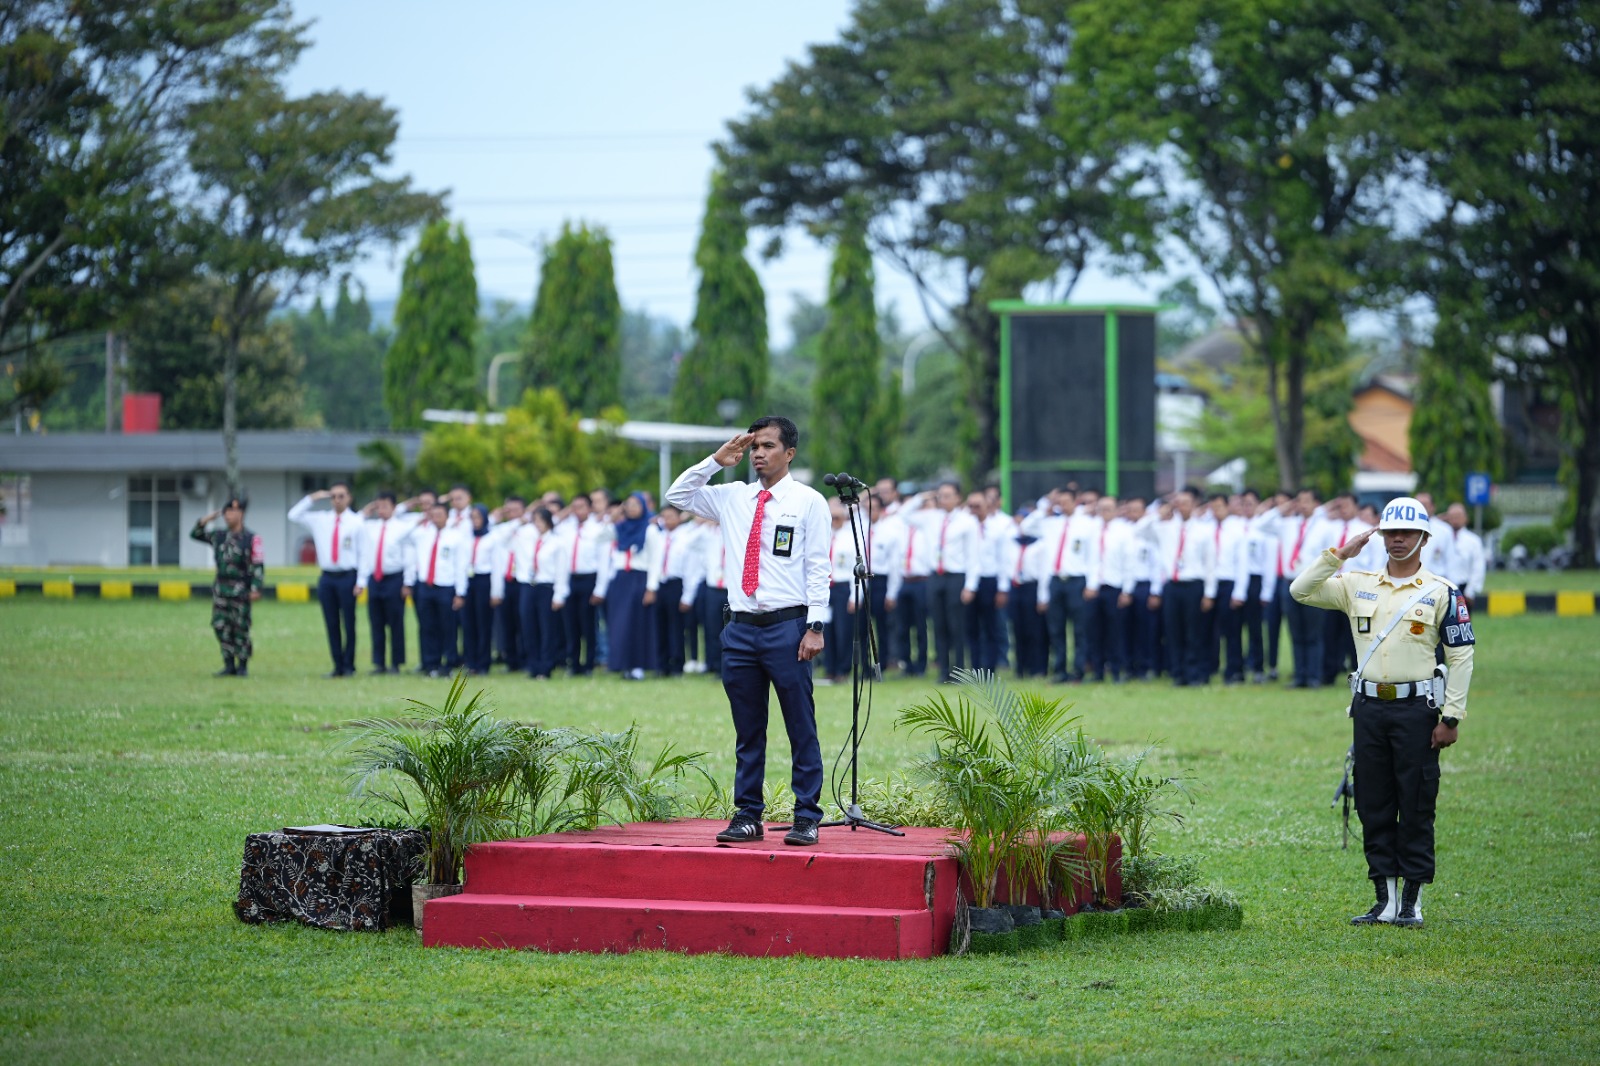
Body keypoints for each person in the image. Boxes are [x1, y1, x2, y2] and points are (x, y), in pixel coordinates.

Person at [1291, 496, 1475, 928]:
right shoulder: (1356, 583)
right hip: (1369, 708)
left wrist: (1451, 718)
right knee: (1372, 802)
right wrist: (1340, 553)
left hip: (1418, 709)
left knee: (1414, 802)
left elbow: (1461, 657)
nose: (1397, 540)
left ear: (1424, 538)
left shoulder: (1442, 591)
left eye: (1407, 533)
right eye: (1391, 532)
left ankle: (1412, 900)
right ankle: (1384, 899)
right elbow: (1300, 590)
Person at [666, 415, 830, 847]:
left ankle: (806, 815)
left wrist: (815, 625)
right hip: (739, 630)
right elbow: (677, 494)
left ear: (789, 453)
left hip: (788, 627)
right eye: (754, 446)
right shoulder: (732, 498)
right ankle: (747, 815)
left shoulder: (808, 501)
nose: (758, 453)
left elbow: (818, 567)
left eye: (768, 446)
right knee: (748, 729)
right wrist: (715, 461)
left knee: (800, 724)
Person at [902, 481, 982, 682]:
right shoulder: (931, 518)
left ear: (958, 497)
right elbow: (904, 514)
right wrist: (922, 496)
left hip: (956, 577)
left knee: (957, 626)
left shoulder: (967, 521)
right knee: (939, 625)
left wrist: (970, 585)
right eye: (941, 495)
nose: (943, 499)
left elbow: (973, 556)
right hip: (935, 577)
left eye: (948, 495)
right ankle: (943, 671)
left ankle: (959, 671)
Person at [288, 482, 361, 677]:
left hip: (348, 576)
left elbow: (364, 553)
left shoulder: (356, 521)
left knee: (349, 622)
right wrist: (313, 497)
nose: (337, 500)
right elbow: (293, 515)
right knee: (331, 622)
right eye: (334, 496)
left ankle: (349, 664)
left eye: (341, 496)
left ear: (349, 498)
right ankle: (337, 665)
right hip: (328, 577)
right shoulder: (321, 520)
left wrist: (361, 581)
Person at [191, 495, 264, 677]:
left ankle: (243, 665)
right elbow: (195, 534)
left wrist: (256, 587)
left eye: (233, 511)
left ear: (242, 513)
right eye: (226, 512)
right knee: (220, 626)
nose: (228, 515)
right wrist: (207, 519)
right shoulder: (219, 536)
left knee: (240, 628)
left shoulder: (251, 538)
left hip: (241, 590)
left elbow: (257, 564)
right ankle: (229, 663)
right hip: (221, 590)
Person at [596, 491, 659, 680]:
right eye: (628, 505)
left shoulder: (650, 529)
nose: (631, 509)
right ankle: (623, 664)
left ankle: (638, 667)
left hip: (640, 579)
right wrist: (612, 517)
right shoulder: (620, 528)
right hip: (621, 580)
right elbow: (600, 537)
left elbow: (656, 560)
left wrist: (651, 587)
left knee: (638, 624)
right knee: (620, 624)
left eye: (635, 505)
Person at [404, 499, 469, 677]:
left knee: (447, 627)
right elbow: (402, 535)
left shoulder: (455, 537)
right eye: (433, 515)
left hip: (445, 587)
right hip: (425, 586)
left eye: (439, 515)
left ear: (447, 517)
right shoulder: (422, 534)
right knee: (427, 626)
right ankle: (430, 663)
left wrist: (460, 593)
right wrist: (420, 519)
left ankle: (448, 663)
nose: (436, 518)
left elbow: (460, 566)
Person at [506, 506, 569, 679]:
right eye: (535, 521)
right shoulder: (526, 538)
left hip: (546, 586)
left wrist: (559, 594)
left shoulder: (557, 542)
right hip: (528, 585)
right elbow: (507, 537)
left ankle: (546, 666)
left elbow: (562, 570)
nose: (538, 525)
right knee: (528, 626)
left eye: (541, 521)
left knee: (547, 628)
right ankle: (533, 665)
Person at [355, 491, 410, 674]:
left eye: (385, 506)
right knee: (376, 621)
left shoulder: (402, 528)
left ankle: (396, 663)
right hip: (375, 579)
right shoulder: (370, 527)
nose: (381, 510)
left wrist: (407, 583)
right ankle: (379, 663)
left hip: (394, 578)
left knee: (395, 622)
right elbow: (355, 524)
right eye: (378, 506)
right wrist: (366, 511)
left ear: (394, 507)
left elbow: (409, 557)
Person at [1443, 503, 1487, 607]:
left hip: (1463, 588)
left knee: (1463, 622)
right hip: (1443, 588)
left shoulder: (1473, 541)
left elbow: (1478, 567)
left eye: (1458, 516)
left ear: (1465, 518)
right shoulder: (1440, 538)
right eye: (1452, 516)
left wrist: (1470, 590)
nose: (1455, 520)